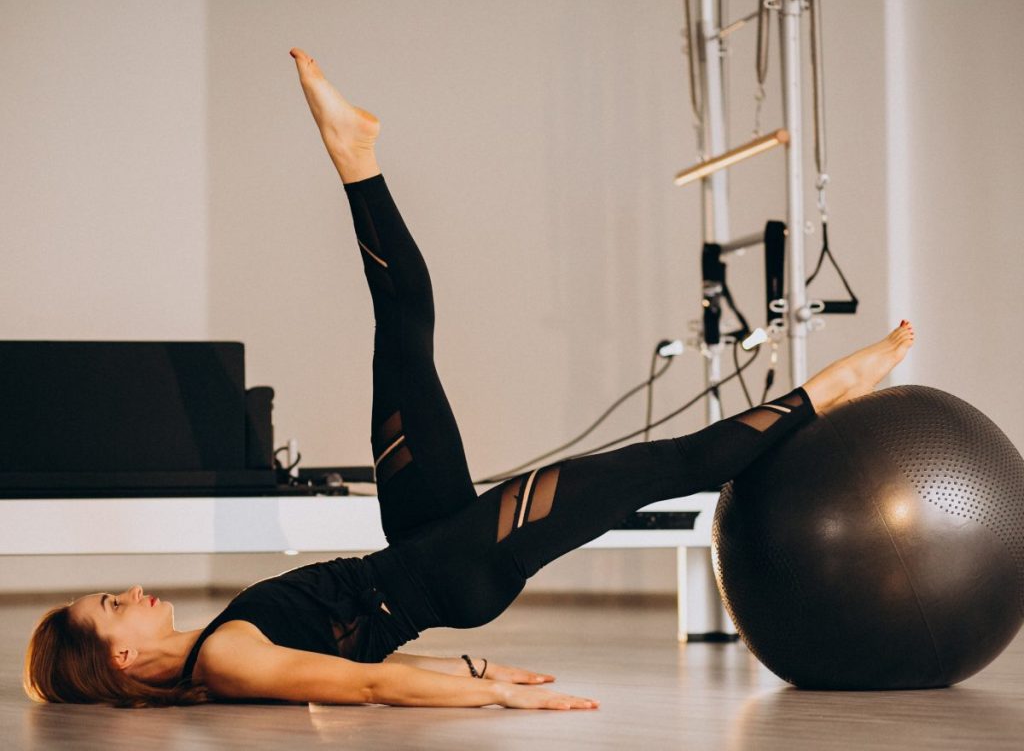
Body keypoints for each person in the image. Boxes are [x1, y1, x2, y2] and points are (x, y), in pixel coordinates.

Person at [23, 49, 915, 710]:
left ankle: (355, 156)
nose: (129, 592)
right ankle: (830, 389)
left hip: (418, 539)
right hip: (457, 570)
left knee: (402, 332)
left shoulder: (219, 646)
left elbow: (363, 666)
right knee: (659, 467)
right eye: (111, 606)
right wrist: (494, 697)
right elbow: (366, 687)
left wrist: (479, 669)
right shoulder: (226, 661)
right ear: (120, 660)